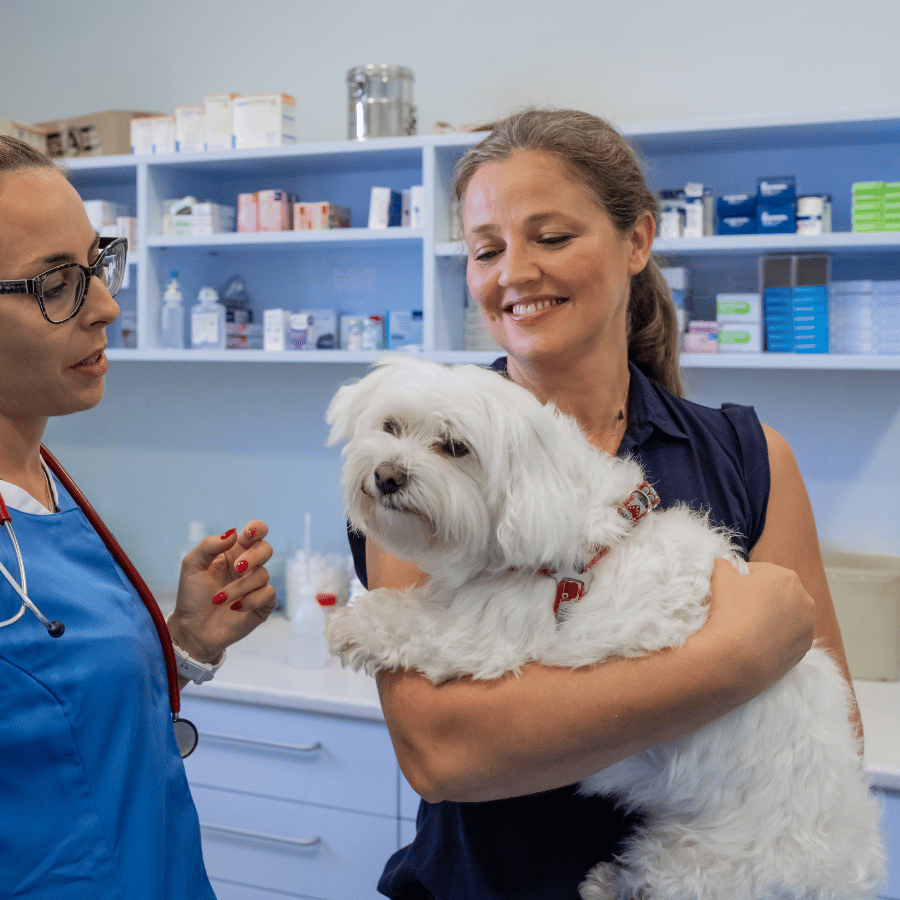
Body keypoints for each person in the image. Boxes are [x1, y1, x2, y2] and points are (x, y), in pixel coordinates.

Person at [346, 109, 854, 899]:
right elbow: (446, 753)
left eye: (550, 238)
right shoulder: (428, 455)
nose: (513, 272)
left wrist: (548, 715)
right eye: (486, 249)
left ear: (637, 242)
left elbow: (821, 733)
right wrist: (731, 660)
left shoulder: (751, 459)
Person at [0, 135, 277, 899]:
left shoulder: (46, 483)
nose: (107, 306)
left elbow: (57, 717)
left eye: (96, 262)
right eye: (55, 282)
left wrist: (183, 643)